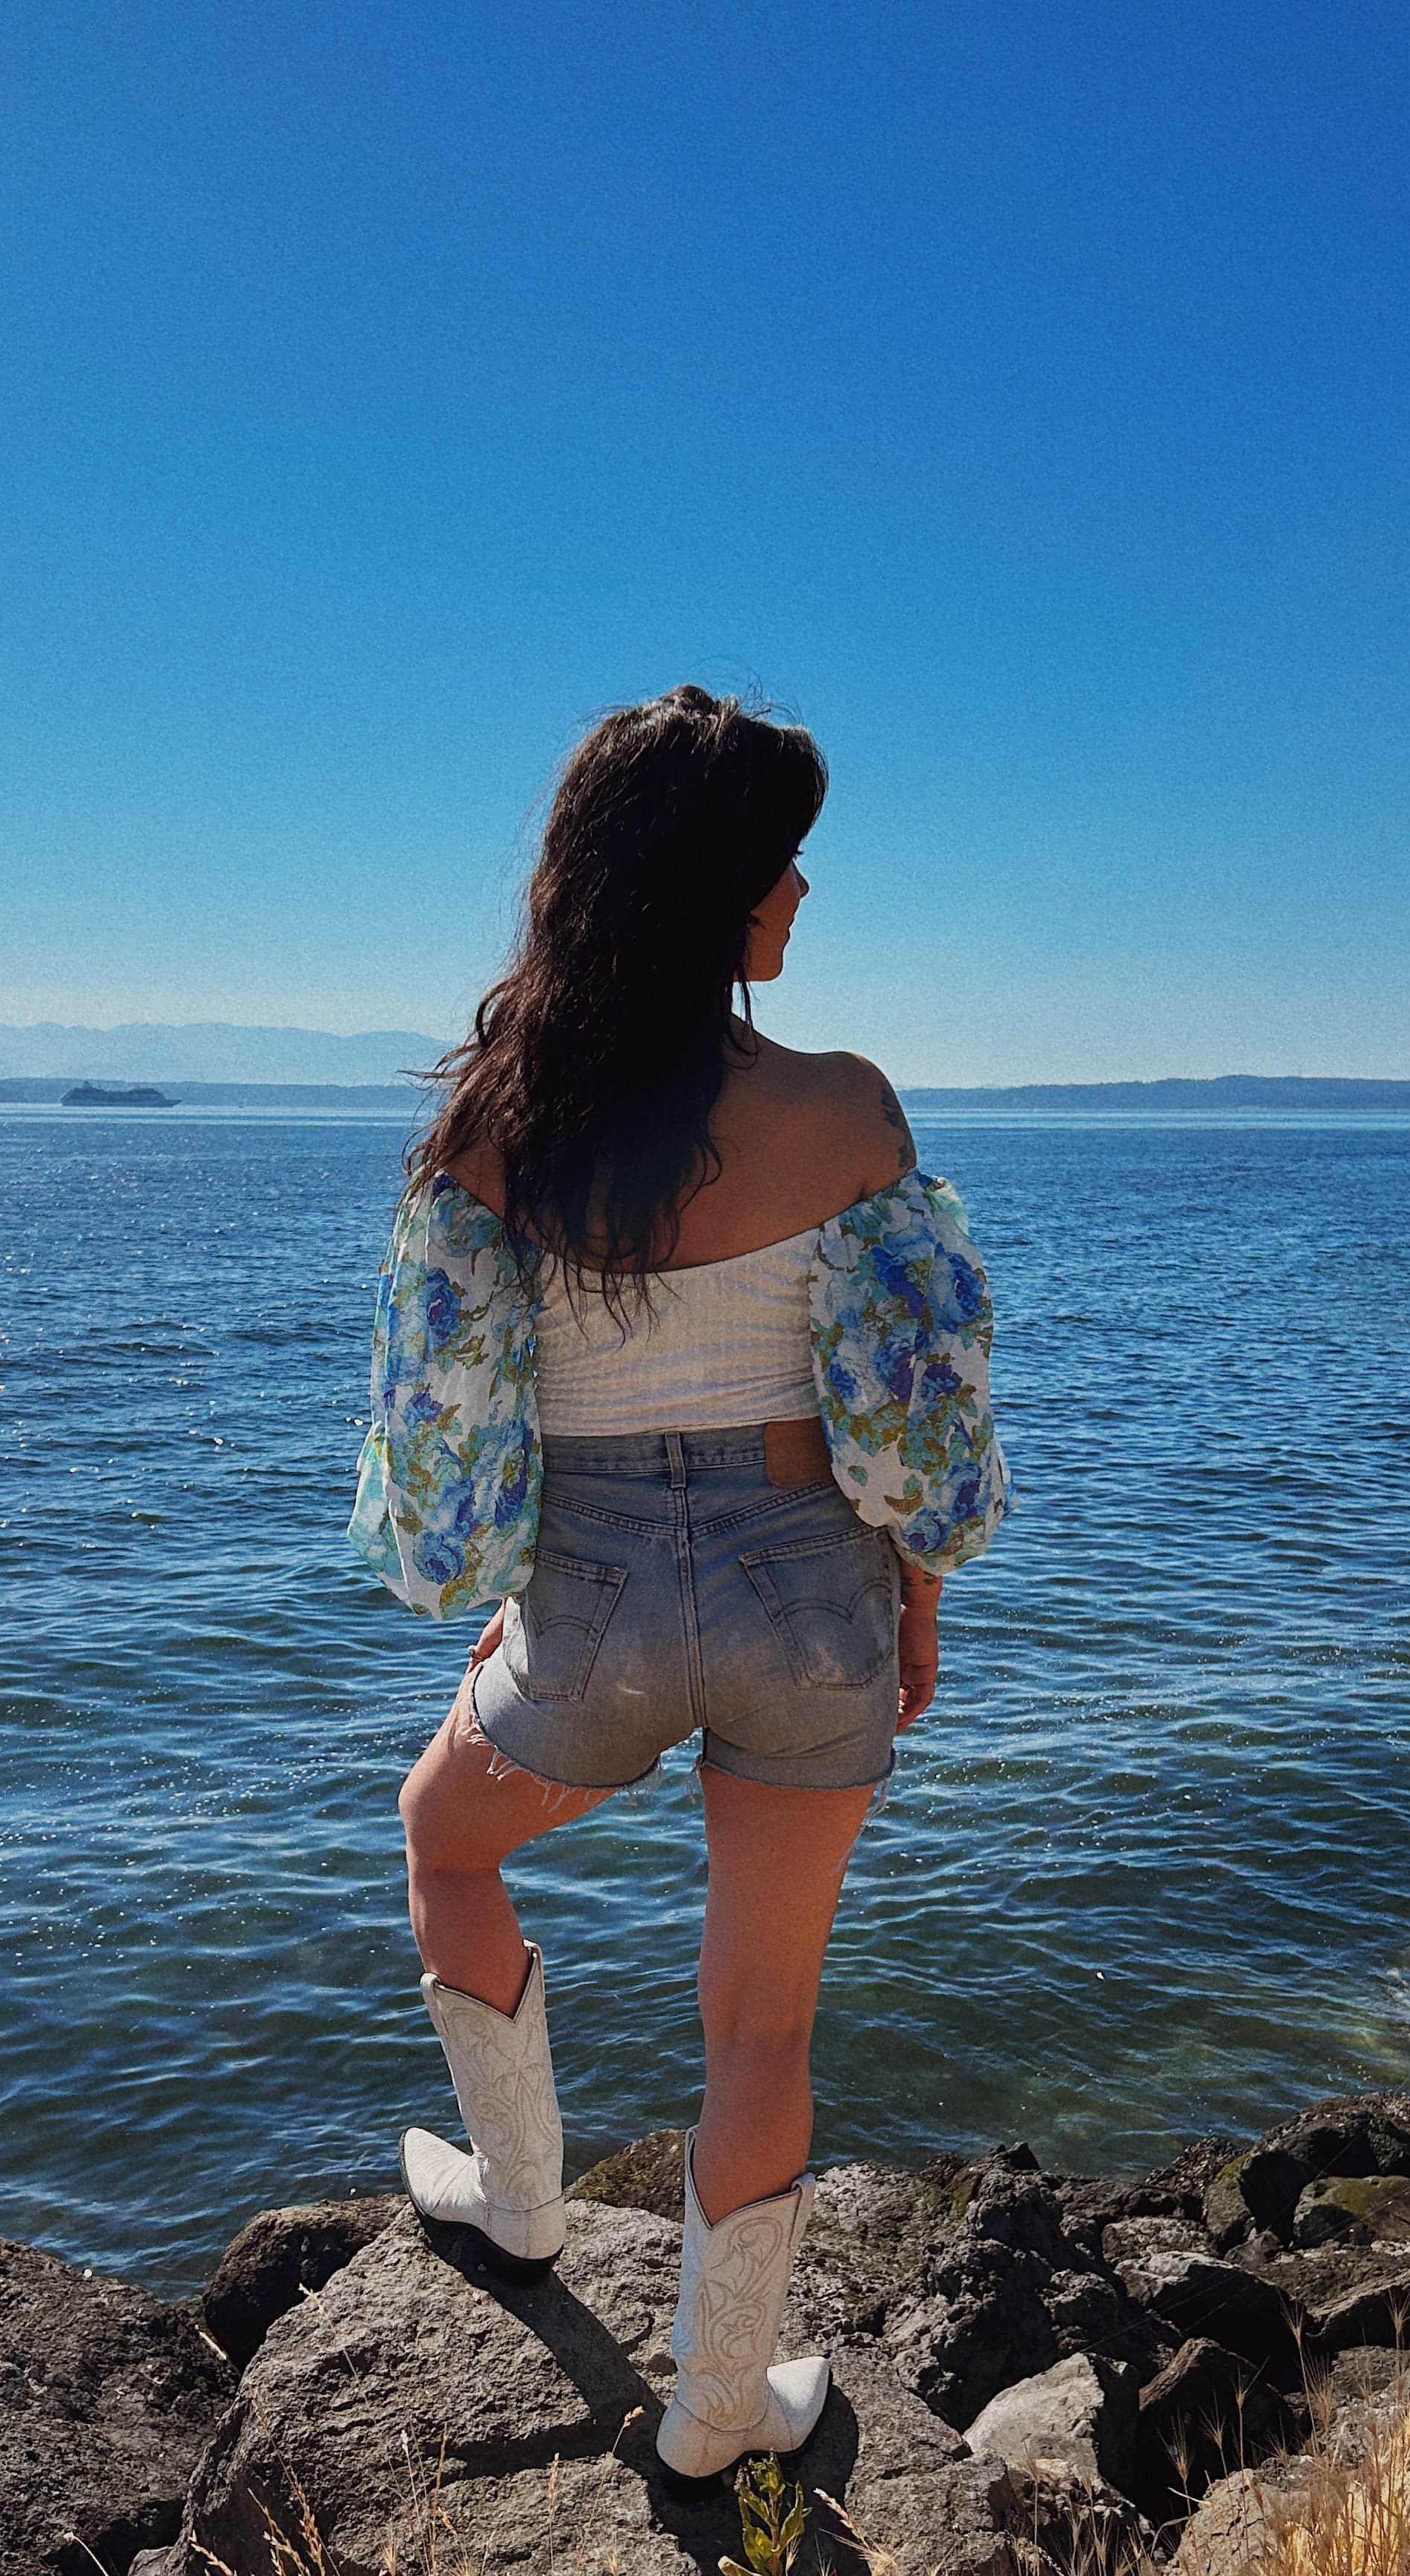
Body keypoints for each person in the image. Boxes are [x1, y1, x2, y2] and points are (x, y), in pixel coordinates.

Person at [349, 686, 1007, 2485]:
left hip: (597, 1592)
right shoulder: (849, 1109)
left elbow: (447, 1422)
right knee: (761, 2021)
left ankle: (523, 2203)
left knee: (443, 1838)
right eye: (781, 861)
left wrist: (522, 1593)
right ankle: (719, 2414)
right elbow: (917, 1415)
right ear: (707, 884)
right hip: (813, 1592)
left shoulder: (501, 1122)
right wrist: (916, 1600)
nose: (800, 893)